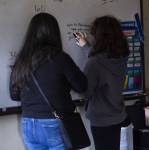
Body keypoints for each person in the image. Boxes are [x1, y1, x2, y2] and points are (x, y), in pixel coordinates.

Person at [9, 13, 87, 150]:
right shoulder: (60, 58)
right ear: (54, 33)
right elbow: (82, 86)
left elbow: (14, 95)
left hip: (28, 123)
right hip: (55, 123)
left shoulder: (21, 60)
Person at [75, 16, 130, 150]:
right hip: (119, 115)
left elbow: (85, 91)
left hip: (101, 120)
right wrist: (86, 47)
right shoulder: (122, 57)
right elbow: (103, 63)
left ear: (99, 37)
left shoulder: (94, 64)